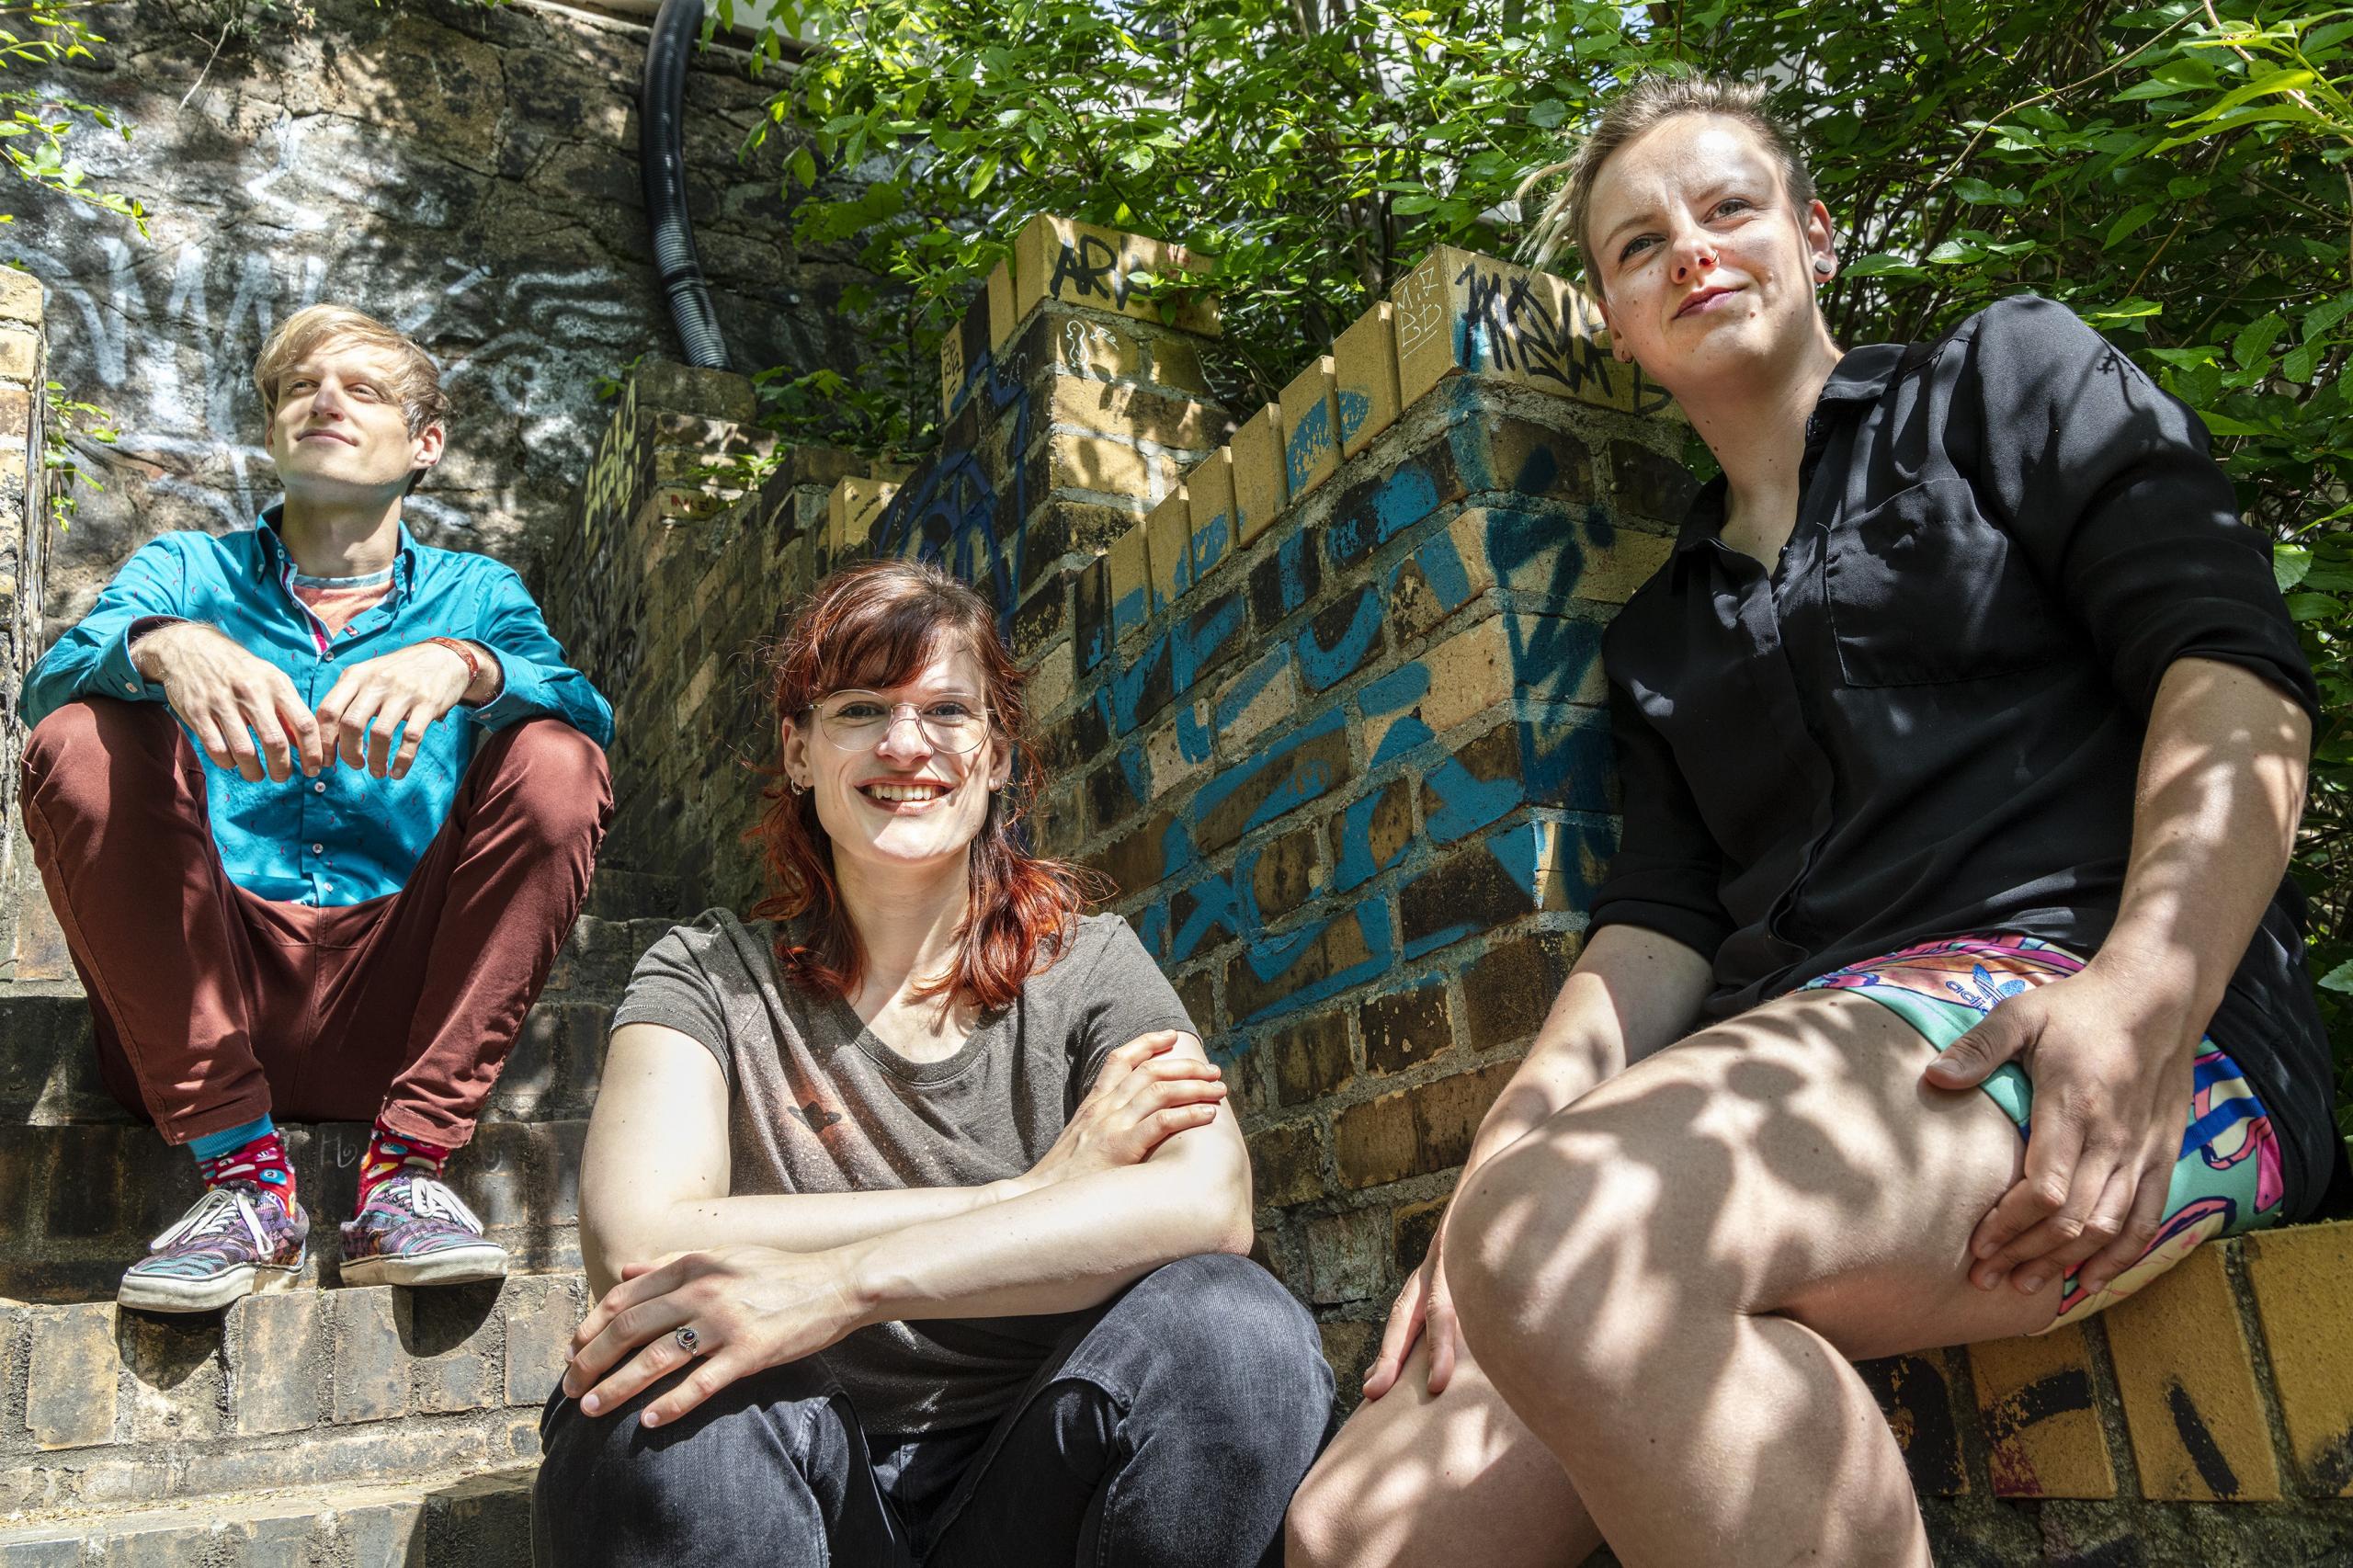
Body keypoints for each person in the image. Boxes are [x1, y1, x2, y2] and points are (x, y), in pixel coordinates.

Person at [1286, 74, 2336, 1568]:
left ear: (1816, 232)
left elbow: (2232, 668)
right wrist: (1493, 1191)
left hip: (2093, 1020)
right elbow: (1657, 930)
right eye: (1639, 245)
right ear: (1614, 318)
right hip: (1811, 1093)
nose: (1693, 252)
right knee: (1352, 1531)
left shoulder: (2005, 376)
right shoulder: (1659, 634)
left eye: (1728, 207)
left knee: (1570, 1236)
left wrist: (2150, 990)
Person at [535, 558, 1331, 1568]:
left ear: (995, 754)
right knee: (668, 1384)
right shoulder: (704, 973)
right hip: (782, 1473)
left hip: (1037, 1474)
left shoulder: (1088, 964)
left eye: (947, 710)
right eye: (861, 707)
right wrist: (1038, 1194)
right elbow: (643, 1238)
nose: (905, 744)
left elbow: (1210, 1200)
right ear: (798, 749)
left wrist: (842, 1284)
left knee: (1238, 1332)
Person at [18, 303, 613, 1312]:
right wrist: (161, 643)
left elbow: (586, 709)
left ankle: (406, 1173)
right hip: (203, 998)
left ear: (425, 444)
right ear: (271, 430)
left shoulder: (478, 591)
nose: (324, 400)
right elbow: (47, 686)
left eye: (362, 388)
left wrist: (465, 663)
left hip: (398, 1004)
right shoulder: (184, 570)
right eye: (300, 387)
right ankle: (246, 1183)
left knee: (557, 758)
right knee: (76, 738)